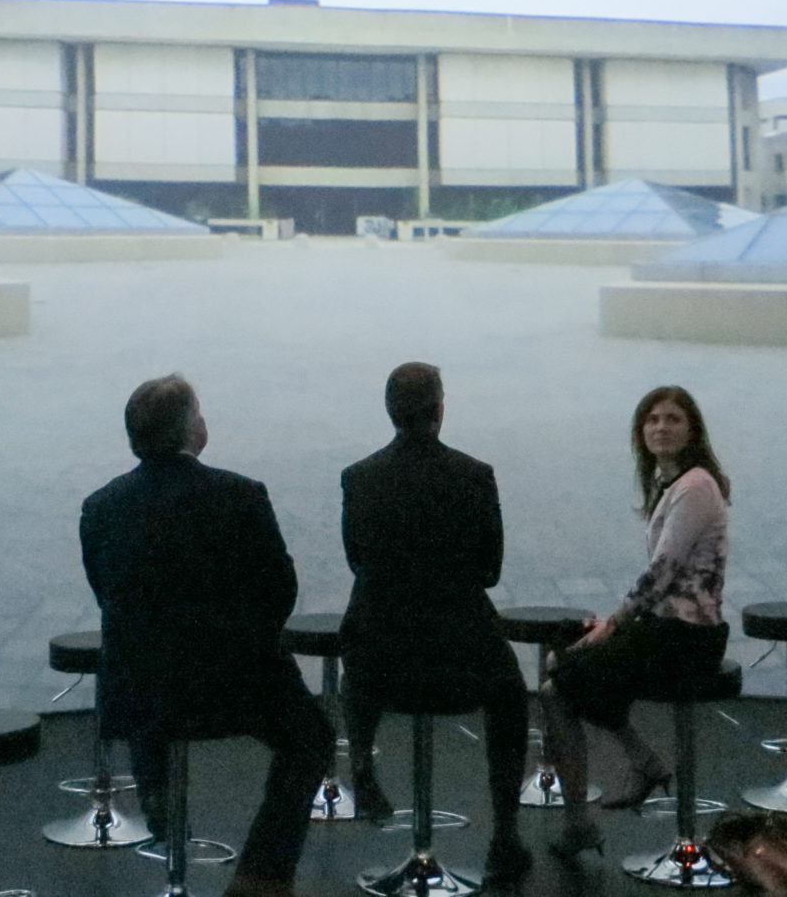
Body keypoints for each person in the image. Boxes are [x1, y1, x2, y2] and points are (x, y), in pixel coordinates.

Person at [81, 375, 330, 897]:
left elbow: (109, 596)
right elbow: (279, 591)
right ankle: (261, 875)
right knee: (311, 739)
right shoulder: (240, 496)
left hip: (137, 693)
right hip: (229, 686)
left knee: (154, 695)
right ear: (193, 430)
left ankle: (159, 799)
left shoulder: (100, 506)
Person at [340, 362, 532, 885]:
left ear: (389, 411)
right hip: (459, 654)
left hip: (383, 658)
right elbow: (489, 572)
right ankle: (505, 834)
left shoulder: (358, 478)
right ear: (441, 410)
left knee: (356, 638)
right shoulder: (475, 475)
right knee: (511, 695)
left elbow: (359, 562)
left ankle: (363, 762)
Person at [538, 385, 731, 862]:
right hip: (668, 628)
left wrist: (617, 622)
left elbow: (664, 569)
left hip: (686, 639)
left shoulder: (696, 487)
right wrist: (617, 623)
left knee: (557, 681)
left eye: (673, 419)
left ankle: (584, 818)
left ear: (692, 431)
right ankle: (641, 762)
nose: (661, 427)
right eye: (652, 420)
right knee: (567, 653)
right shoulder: (673, 484)